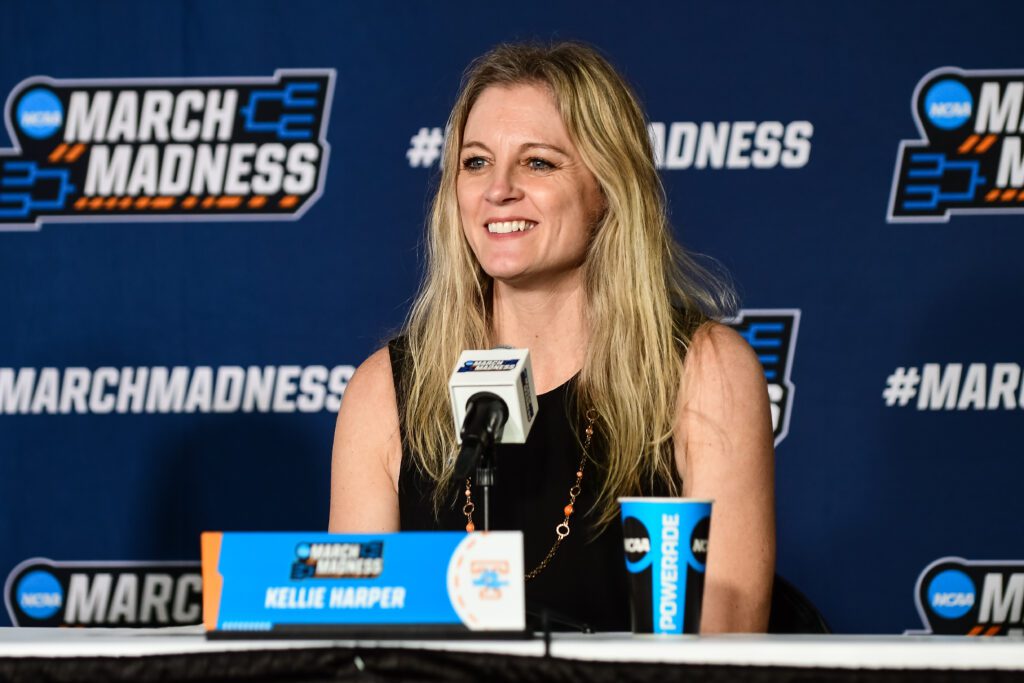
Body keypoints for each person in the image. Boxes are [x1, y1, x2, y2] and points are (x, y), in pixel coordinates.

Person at [329, 42, 775, 633]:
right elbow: (356, 644)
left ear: (608, 189)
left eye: (538, 162)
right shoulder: (383, 391)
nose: (499, 189)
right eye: (476, 162)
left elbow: (727, 649)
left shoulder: (705, 372)